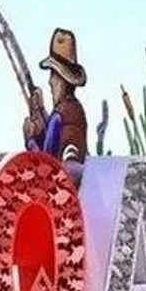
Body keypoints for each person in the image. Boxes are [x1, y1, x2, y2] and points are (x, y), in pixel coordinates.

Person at [24, 28, 89, 182]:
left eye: (53, 76)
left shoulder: (59, 116)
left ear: (62, 79)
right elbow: (56, 143)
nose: (50, 82)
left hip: (63, 189)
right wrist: (40, 110)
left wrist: (30, 140)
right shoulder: (76, 110)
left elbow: (46, 164)